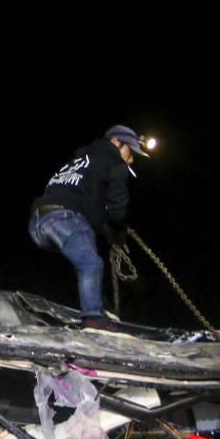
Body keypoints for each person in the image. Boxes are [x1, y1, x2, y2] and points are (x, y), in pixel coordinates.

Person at [28, 125, 147, 332]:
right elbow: (118, 209)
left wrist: (104, 226)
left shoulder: (80, 160)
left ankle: (100, 308)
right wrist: (117, 228)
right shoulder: (114, 161)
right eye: (130, 152)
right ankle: (93, 318)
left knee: (85, 260)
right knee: (91, 262)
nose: (131, 160)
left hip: (38, 224)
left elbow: (83, 198)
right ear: (116, 142)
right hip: (65, 218)